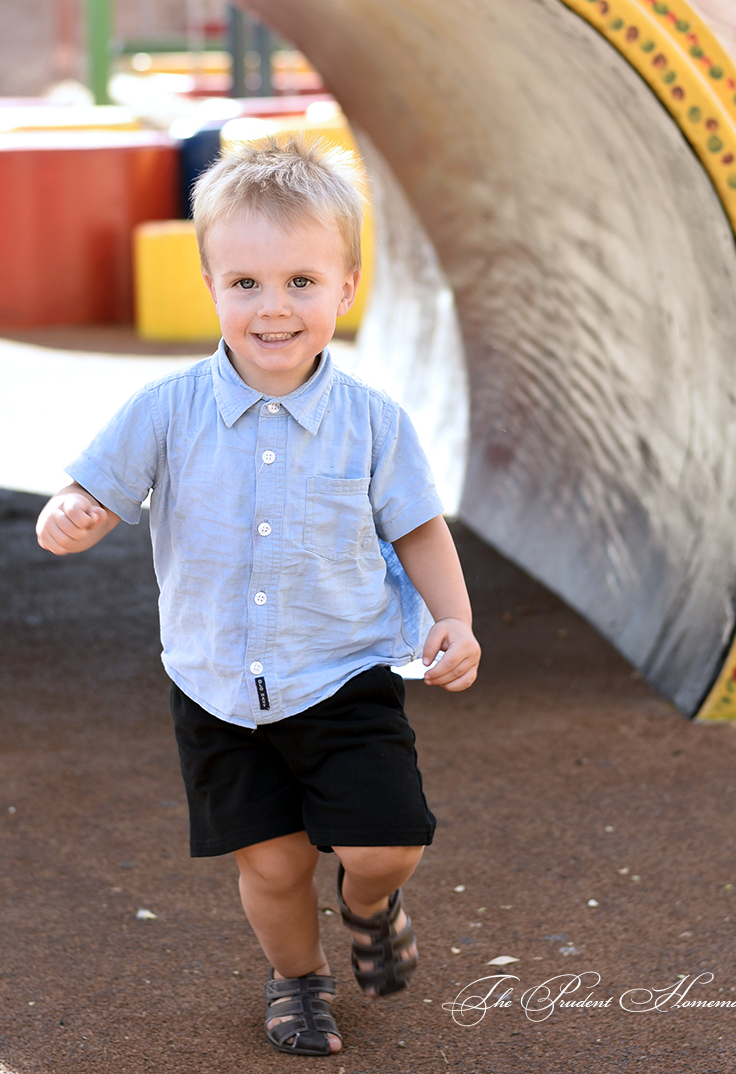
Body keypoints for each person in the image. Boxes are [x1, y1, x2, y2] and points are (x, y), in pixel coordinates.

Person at [35, 134, 481, 1057]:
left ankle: (370, 904)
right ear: (210, 286)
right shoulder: (164, 409)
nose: (273, 307)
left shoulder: (373, 422)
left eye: (301, 283)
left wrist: (455, 619)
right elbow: (93, 491)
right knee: (272, 863)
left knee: (387, 842)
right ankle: (299, 981)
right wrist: (69, 513)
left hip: (342, 670)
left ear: (347, 286)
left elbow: (418, 529)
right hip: (217, 686)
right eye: (245, 284)